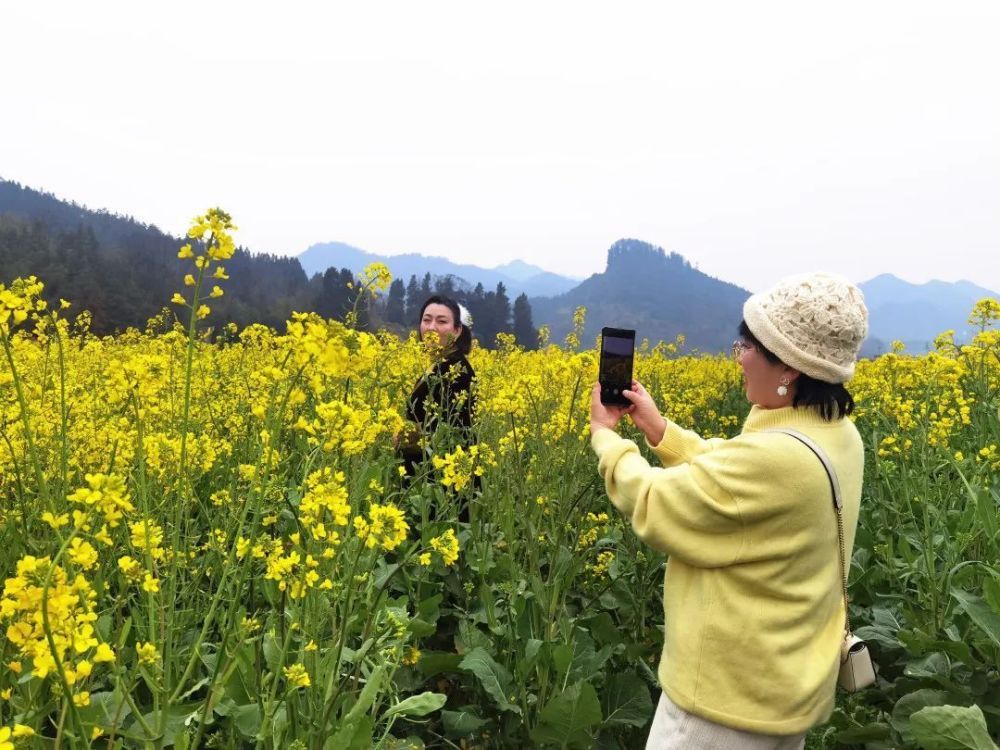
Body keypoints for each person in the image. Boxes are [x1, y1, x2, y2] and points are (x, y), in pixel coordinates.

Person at [589, 272, 869, 749]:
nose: (738, 357)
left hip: (722, 709)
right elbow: (736, 477)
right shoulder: (839, 435)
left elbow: (660, 502)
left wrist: (606, 439)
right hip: (781, 690)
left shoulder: (775, 459)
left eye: (747, 345)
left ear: (789, 368)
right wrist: (660, 431)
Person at [398, 295, 477, 519]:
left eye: (442, 322)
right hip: (424, 485)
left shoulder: (458, 372)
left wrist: (402, 436)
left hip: (442, 491)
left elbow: (453, 433)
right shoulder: (440, 364)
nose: (432, 327)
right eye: (427, 319)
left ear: (458, 330)